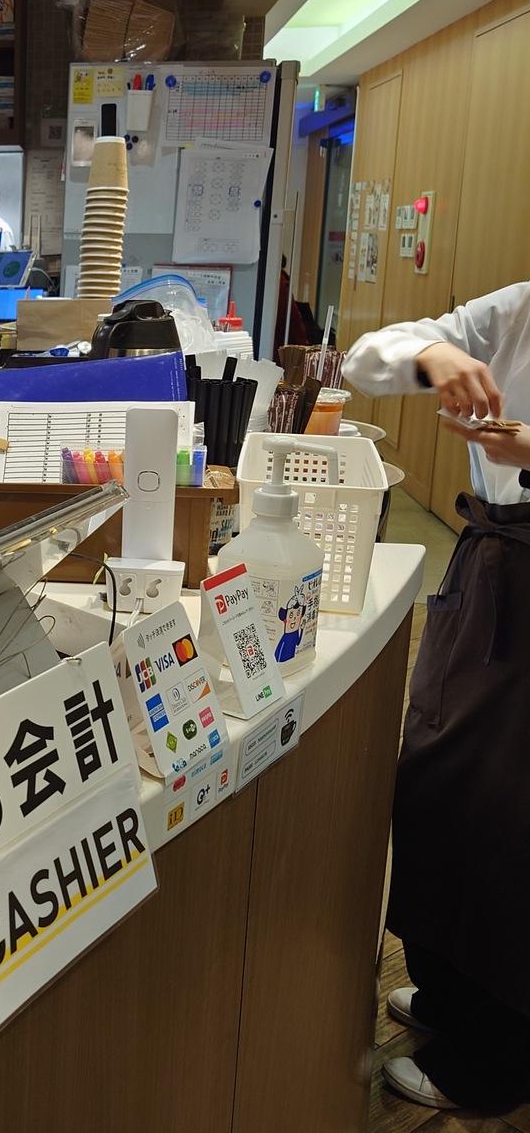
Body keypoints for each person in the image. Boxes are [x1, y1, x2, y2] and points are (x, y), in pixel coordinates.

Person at [344, 284, 530, 1113]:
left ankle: (496, 1060)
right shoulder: (519, 308)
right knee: (438, 779)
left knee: (509, 819)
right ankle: (453, 995)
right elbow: (364, 359)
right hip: (492, 562)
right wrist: (436, 352)